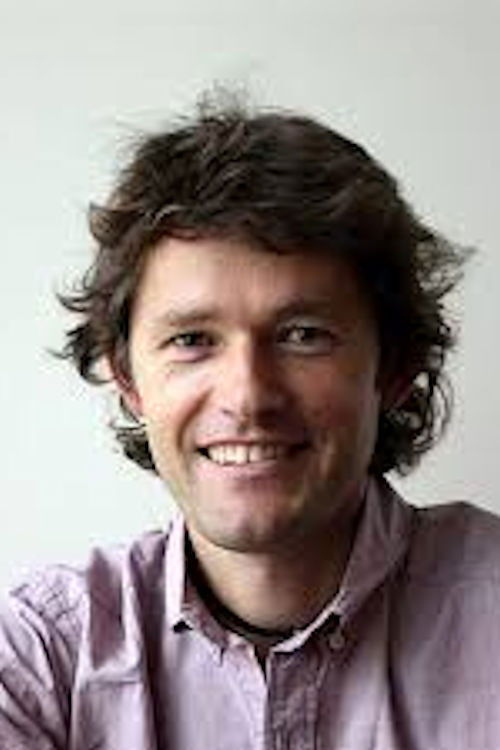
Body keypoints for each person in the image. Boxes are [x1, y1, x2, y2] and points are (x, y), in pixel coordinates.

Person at [0, 95, 498, 750]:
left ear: (394, 368)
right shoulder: (43, 661)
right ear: (129, 380)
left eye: (303, 335)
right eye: (191, 340)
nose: (248, 396)